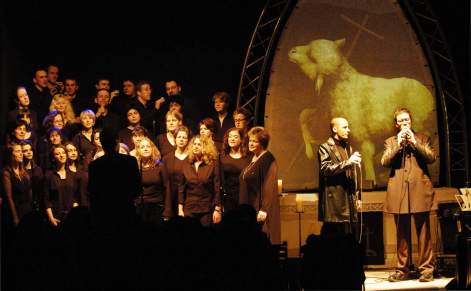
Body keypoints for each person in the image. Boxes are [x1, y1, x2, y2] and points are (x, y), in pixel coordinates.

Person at [381, 108, 437, 283]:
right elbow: (384, 162)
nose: (405, 123)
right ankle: (402, 269)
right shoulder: (390, 141)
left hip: (420, 189)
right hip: (399, 190)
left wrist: (414, 142)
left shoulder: (422, 138)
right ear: (397, 124)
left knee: (423, 232)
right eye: (401, 121)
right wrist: (398, 145)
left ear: (411, 121)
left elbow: (431, 157)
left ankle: (426, 270)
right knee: (402, 233)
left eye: (407, 120)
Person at [87, 128, 142, 226]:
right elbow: (137, 189)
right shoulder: (130, 161)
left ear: (102, 144)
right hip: (126, 212)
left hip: (104, 215)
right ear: (117, 142)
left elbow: (92, 192)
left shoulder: (95, 165)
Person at [317, 117, 361, 237]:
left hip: (347, 199)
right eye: (345, 127)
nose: (348, 130)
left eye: (348, 127)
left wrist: (357, 196)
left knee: (348, 235)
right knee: (334, 235)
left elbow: (351, 174)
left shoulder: (348, 147)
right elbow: (325, 169)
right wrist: (348, 162)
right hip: (334, 201)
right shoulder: (325, 147)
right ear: (335, 129)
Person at [239, 126, 281, 244]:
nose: (250, 144)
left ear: (262, 143)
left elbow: (269, 185)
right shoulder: (254, 158)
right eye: (250, 140)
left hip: (260, 208)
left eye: (254, 141)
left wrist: (264, 209)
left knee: (261, 239)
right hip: (250, 206)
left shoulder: (268, 159)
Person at [178, 135, 222, 226]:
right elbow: (181, 187)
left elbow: (217, 186)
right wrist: (180, 209)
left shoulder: (213, 163)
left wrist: (217, 209)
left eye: (199, 144)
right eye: (194, 144)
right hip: (189, 207)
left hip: (206, 207)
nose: (196, 146)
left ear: (206, 147)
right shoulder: (186, 163)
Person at [134, 137, 172, 224]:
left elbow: (167, 187)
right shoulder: (136, 166)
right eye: (142, 147)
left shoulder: (160, 166)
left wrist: (167, 210)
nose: (145, 148)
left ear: (152, 149)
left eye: (148, 146)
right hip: (140, 207)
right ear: (138, 150)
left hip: (157, 207)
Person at [43, 145, 81, 226]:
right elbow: (46, 200)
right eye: (57, 154)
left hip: (72, 217)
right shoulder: (49, 176)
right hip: (56, 217)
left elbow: (76, 196)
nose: (61, 155)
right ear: (53, 158)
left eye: (63, 153)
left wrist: (75, 211)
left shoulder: (72, 175)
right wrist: (51, 218)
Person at [1, 142, 33, 226]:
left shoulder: (24, 172)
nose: (21, 154)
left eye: (21, 151)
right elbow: (9, 197)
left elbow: (29, 192)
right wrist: (15, 217)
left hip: (27, 210)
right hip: (16, 210)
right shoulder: (6, 172)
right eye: (18, 151)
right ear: (11, 155)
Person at [220, 127, 250, 212]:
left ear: (241, 139)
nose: (232, 139)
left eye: (235, 137)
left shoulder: (248, 157)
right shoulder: (222, 157)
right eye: (230, 136)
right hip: (228, 198)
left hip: (244, 196)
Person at [162, 126, 190, 216]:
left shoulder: (192, 158)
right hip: (171, 198)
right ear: (175, 139)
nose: (181, 139)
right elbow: (165, 182)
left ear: (188, 140)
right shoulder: (167, 158)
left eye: (184, 137)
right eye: (179, 137)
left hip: (188, 198)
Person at [21, 140, 43, 212]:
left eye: (30, 150)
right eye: (25, 151)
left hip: (37, 206)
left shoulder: (38, 169)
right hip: (24, 206)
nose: (29, 152)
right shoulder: (18, 171)